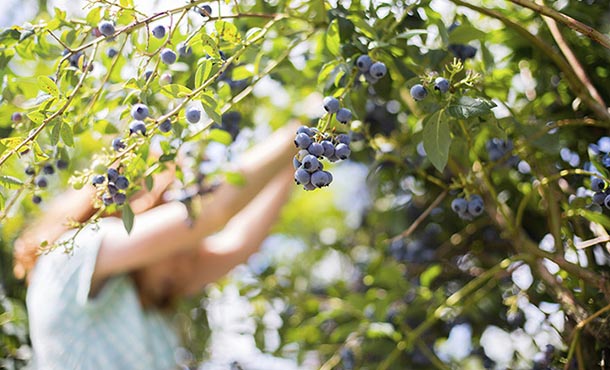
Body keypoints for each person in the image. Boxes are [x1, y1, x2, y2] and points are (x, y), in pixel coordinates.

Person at [13, 123, 298, 369]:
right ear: (137, 214)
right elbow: (208, 215)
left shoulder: (142, 294)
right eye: (178, 243)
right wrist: (298, 131)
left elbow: (238, 243)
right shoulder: (71, 255)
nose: (189, 262)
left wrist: (302, 150)